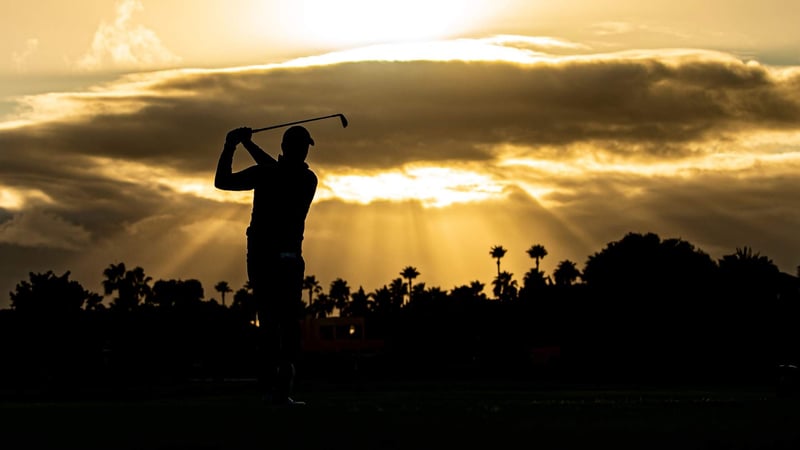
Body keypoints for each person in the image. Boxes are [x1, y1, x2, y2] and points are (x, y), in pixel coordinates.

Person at [214, 125, 318, 406]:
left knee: (272, 322)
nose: (305, 151)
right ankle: (280, 391)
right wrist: (246, 144)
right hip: (288, 258)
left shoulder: (271, 174)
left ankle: (275, 390)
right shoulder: (307, 178)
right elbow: (275, 170)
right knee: (283, 323)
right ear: (295, 149)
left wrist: (232, 145)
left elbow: (222, 180)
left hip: (262, 256)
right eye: (303, 147)